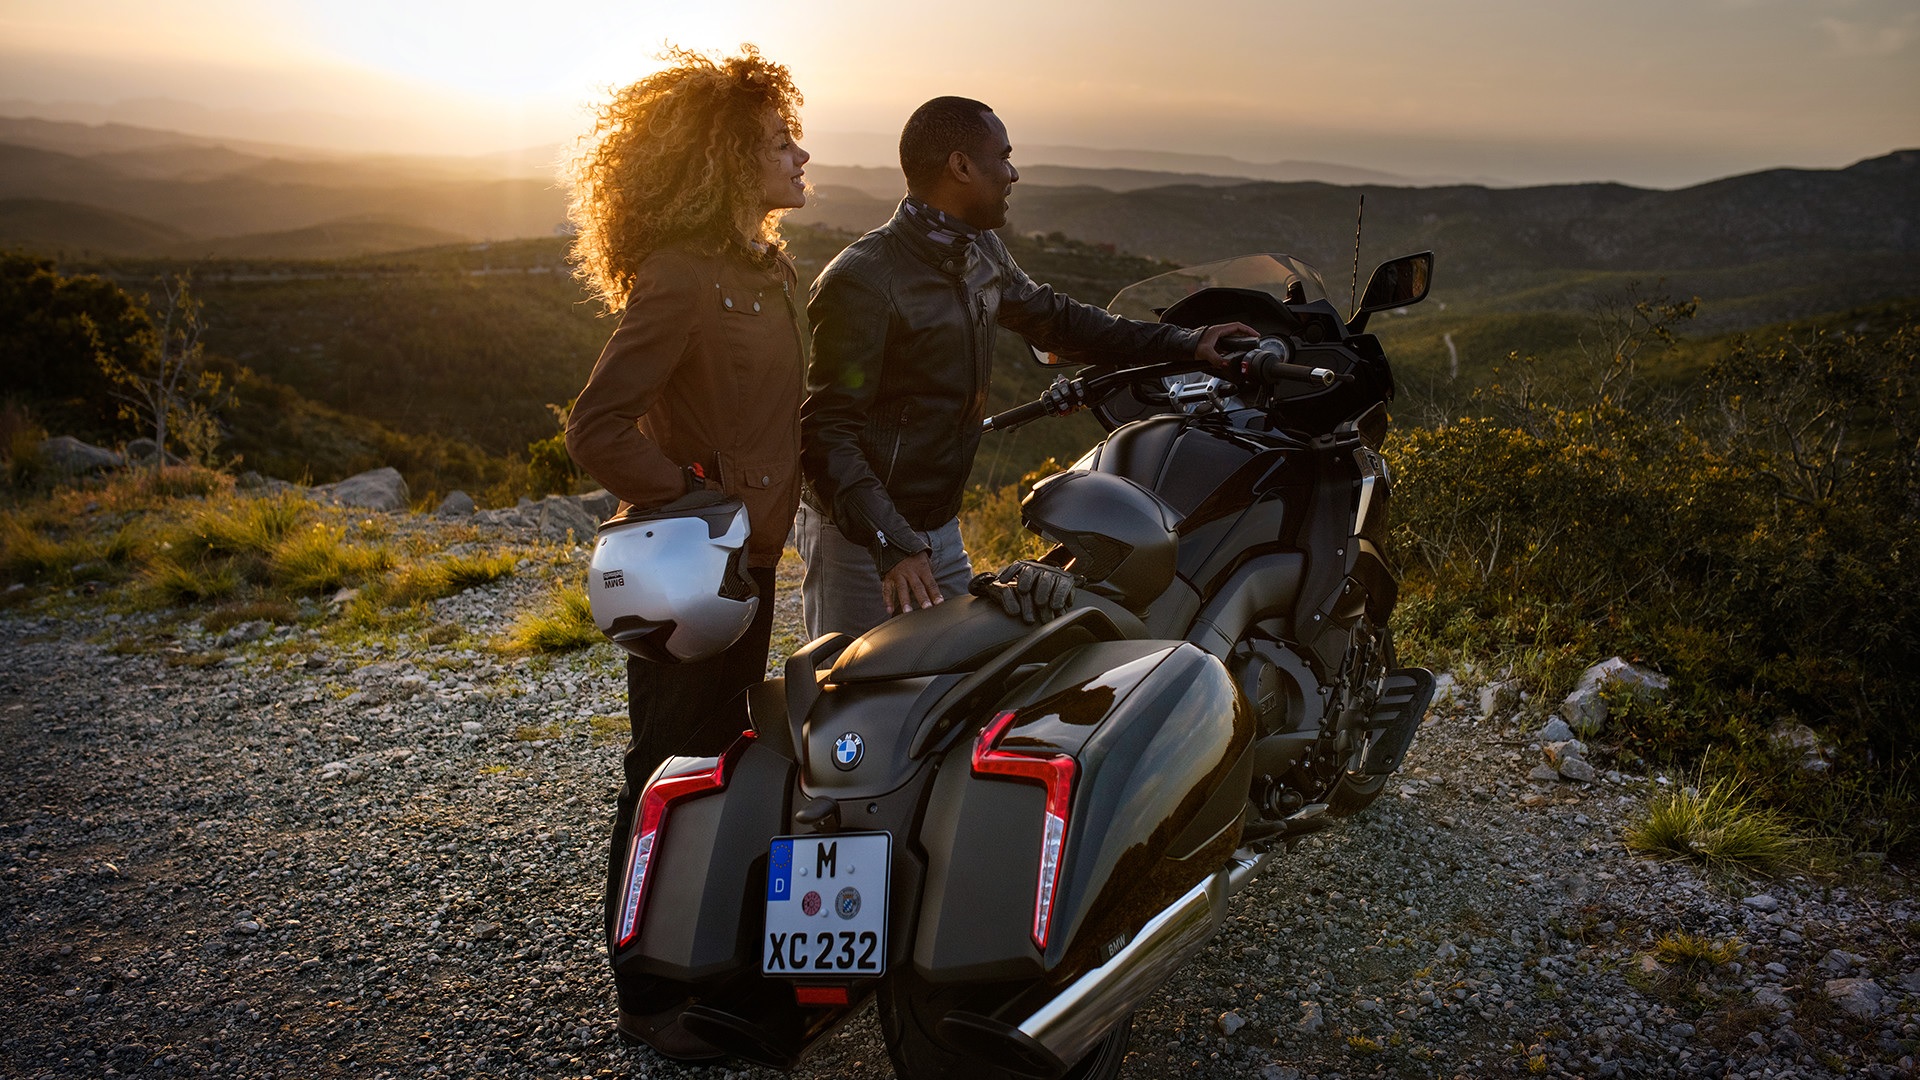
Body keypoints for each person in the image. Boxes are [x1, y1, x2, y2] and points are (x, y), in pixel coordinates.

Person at [560, 45, 808, 1062]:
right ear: (723, 161)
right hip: (690, 563)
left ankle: (720, 966)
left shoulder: (771, 267)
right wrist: (699, 498)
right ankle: (647, 993)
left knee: (728, 761)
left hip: (750, 563)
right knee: (665, 767)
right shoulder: (678, 276)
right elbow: (596, 428)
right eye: (776, 142)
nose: (801, 152)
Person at [797, 95, 1254, 640]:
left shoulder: (979, 252)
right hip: (860, 539)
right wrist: (891, 542)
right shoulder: (864, 280)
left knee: (951, 685)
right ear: (961, 166)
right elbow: (827, 430)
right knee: (845, 695)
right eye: (1003, 157)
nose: (1013, 173)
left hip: (936, 531)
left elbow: (1060, 321)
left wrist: (1187, 343)